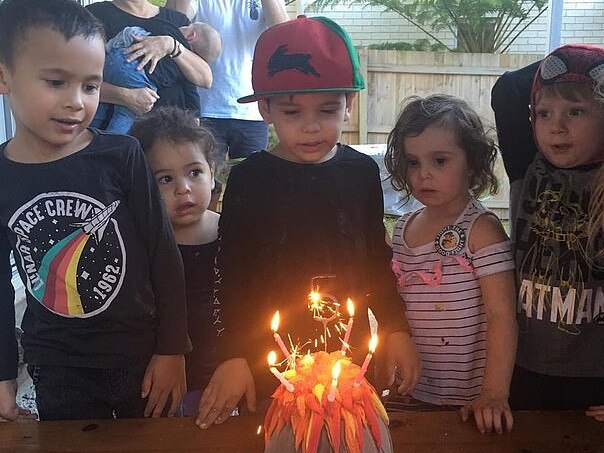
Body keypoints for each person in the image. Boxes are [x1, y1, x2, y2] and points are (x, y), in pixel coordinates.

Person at [195, 15, 421, 430]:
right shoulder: (250, 178)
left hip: (348, 362)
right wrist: (233, 354)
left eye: (328, 109)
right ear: (265, 108)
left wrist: (393, 327)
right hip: (267, 365)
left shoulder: (360, 172)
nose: (311, 125)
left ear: (349, 104)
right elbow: (230, 275)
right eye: (292, 110)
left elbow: (375, 257)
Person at [0, 0, 190, 422]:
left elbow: (163, 251)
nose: (76, 102)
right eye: (56, 82)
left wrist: (172, 347)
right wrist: (3, 375)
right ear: (4, 76)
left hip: (141, 357)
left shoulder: (122, 154)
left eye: (91, 86)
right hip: (58, 365)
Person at [384, 94, 517, 434]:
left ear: (471, 163)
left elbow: (503, 315)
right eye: (413, 162)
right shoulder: (402, 228)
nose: (423, 174)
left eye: (439, 161)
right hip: (412, 392)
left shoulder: (481, 229)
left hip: (471, 402)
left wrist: (494, 393)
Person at [491, 44, 604, 418]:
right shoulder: (529, 166)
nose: (558, 125)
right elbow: (507, 91)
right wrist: (576, 65)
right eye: (544, 113)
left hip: (595, 379)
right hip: (524, 368)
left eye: (576, 111)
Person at [129, 107, 222, 417]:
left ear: (212, 173)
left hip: (223, 373)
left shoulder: (233, 234)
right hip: (162, 376)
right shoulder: (139, 244)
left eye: (194, 172)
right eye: (165, 179)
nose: (183, 188)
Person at [166, 0, 288, 160]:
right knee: (204, 179)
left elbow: (284, 33)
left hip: (251, 111)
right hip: (204, 109)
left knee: (254, 178)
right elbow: (171, 22)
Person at [87, 0, 212, 119]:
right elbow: (78, 80)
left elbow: (205, 79)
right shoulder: (93, 15)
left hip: (172, 128)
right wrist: (124, 96)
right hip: (120, 129)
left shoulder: (177, 20)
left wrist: (171, 45)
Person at [92, 26, 158, 133]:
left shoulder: (171, 28)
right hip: (131, 67)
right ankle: (113, 146)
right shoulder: (170, 33)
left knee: (100, 110)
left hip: (115, 57)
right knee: (126, 114)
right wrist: (127, 95)